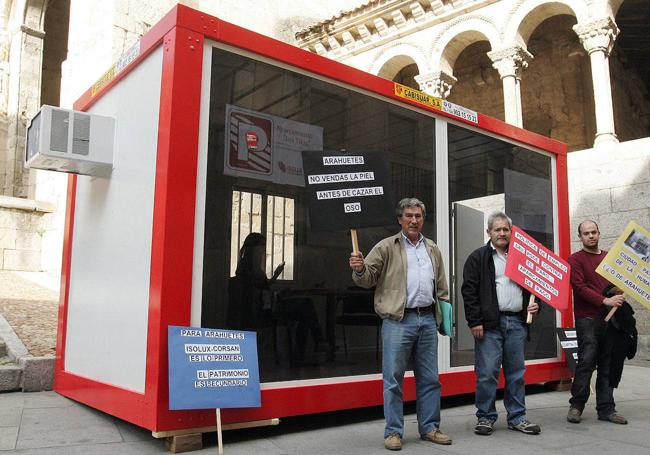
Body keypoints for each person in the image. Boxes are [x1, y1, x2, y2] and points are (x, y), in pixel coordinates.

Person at [349, 198, 452, 451]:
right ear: (400, 219)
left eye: (418, 215)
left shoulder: (432, 249)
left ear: (423, 219)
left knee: (429, 379)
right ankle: (393, 432)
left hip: (427, 319)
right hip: (398, 320)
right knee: (393, 380)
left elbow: (441, 287)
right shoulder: (386, 247)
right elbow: (366, 279)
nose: (414, 220)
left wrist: (443, 316)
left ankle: (430, 428)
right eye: (408, 215)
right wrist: (360, 268)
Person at [461, 211, 541, 436]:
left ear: (511, 232)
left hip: (517, 322)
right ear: (489, 232)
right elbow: (469, 292)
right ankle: (485, 417)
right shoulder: (478, 258)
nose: (502, 233)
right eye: (498, 229)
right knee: (487, 373)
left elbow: (534, 289)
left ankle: (517, 417)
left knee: (516, 373)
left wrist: (534, 307)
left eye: (506, 229)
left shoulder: (522, 258)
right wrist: (474, 321)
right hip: (488, 326)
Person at [566, 220, 628, 424]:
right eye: (586, 233)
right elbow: (579, 287)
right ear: (580, 237)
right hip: (587, 319)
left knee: (608, 364)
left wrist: (618, 293)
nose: (590, 236)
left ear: (599, 234)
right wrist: (605, 300)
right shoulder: (575, 260)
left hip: (611, 319)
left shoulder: (610, 258)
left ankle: (606, 409)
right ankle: (576, 406)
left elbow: (613, 285)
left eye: (593, 232)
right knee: (586, 362)